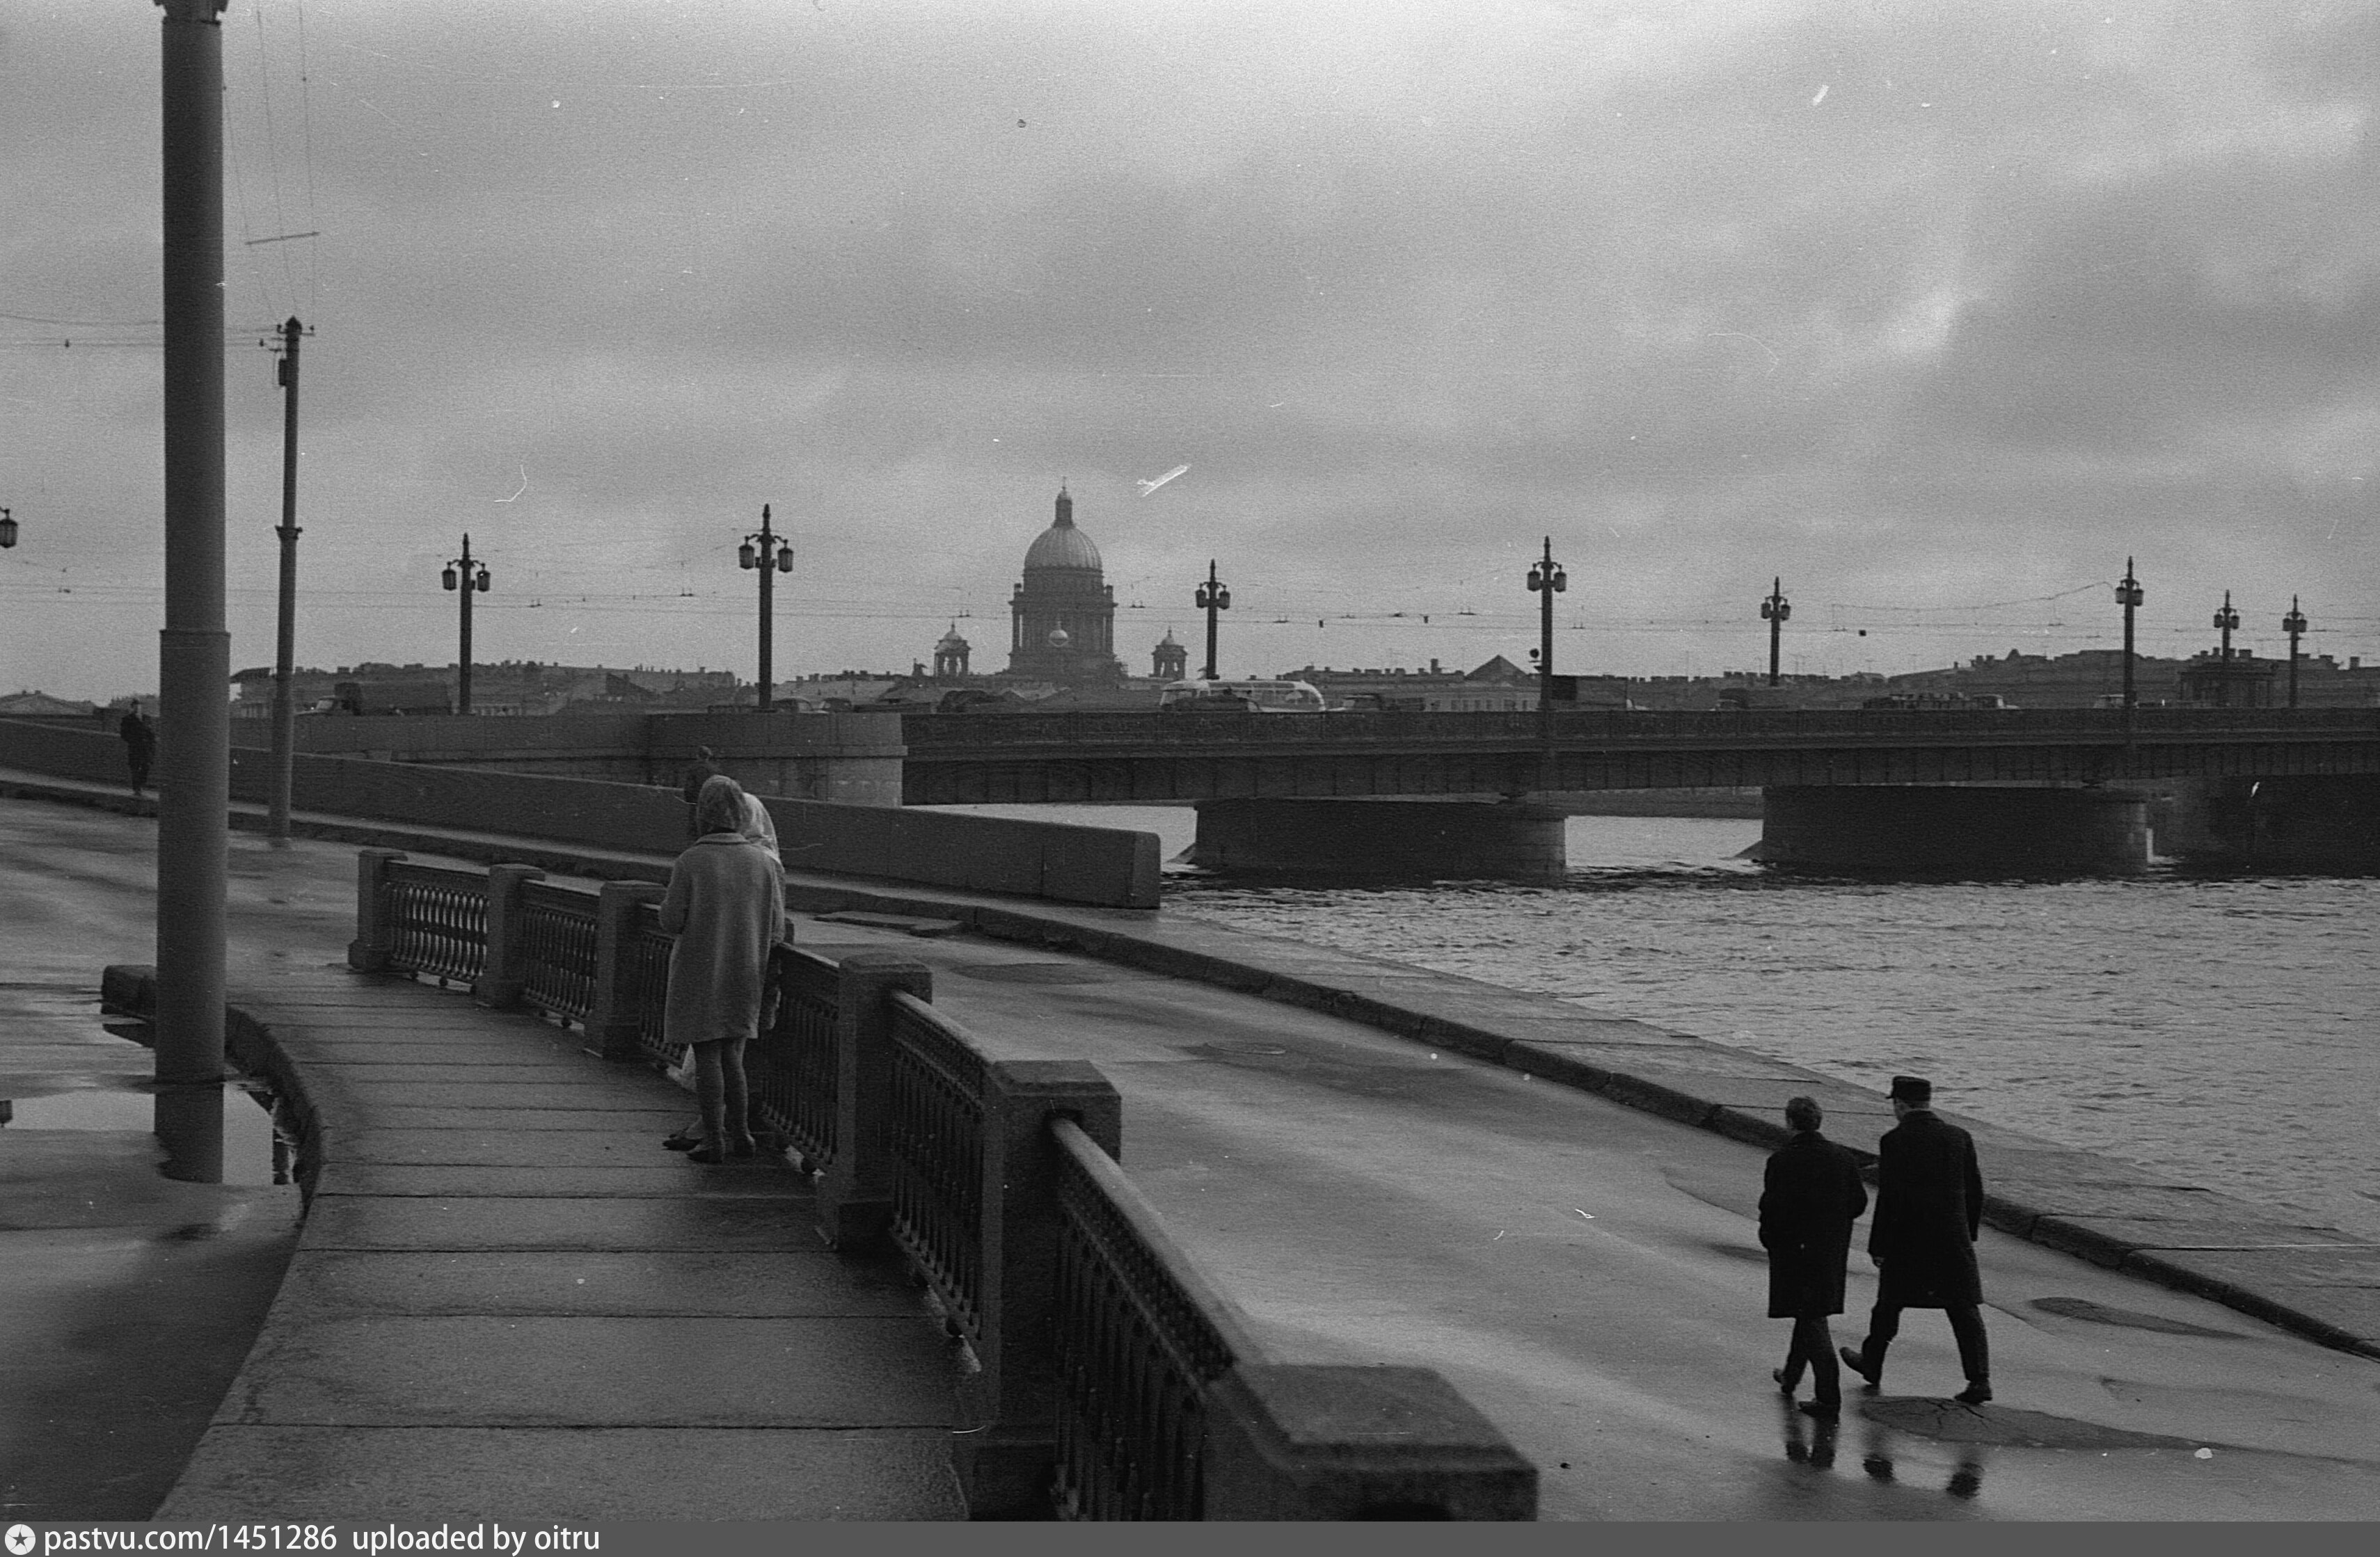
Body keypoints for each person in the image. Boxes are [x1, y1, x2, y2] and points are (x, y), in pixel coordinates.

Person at [1840, 1075, 1992, 1405]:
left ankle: (1872, 1363)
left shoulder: (1895, 1140)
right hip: (1952, 1239)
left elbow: (1890, 1198)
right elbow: (1975, 1191)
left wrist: (1878, 1245)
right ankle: (1979, 1379)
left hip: (1908, 1239)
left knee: (1889, 1304)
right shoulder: (1959, 1137)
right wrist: (1968, 1232)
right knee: (1964, 1309)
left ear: (1900, 1104)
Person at [658, 774, 784, 1164]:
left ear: (702, 814)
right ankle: (741, 1133)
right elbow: (777, 929)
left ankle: (714, 1138)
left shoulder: (691, 861)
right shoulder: (762, 863)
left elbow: (671, 920)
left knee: (708, 1057)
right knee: (734, 1057)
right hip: (746, 974)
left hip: (699, 973)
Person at [1759, 1095, 1869, 1420]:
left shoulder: (1782, 1160)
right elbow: (1859, 1203)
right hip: (1829, 1250)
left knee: (1810, 1317)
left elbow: (1772, 1208)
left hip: (1794, 1250)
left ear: (1790, 1122)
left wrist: (1770, 1239)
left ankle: (1828, 1397)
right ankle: (1791, 1376)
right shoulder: (1843, 1158)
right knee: (1810, 1312)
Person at [679, 746, 721, 839]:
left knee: (695, 827)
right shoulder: (715, 770)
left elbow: (689, 787)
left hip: (696, 802)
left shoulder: (693, 769)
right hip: (711, 802)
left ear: (698, 756)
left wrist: (689, 800)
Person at [119, 705, 156, 797]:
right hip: (135, 747)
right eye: (135, 707)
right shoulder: (127, 719)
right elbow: (124, 734)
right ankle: (137, 788)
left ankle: (140, 785)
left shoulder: (146, 718)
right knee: (135, 767)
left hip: (145, 748)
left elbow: (151, 733)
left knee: (146, 766)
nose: (137, 709)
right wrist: (133, 740)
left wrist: (151, 743)